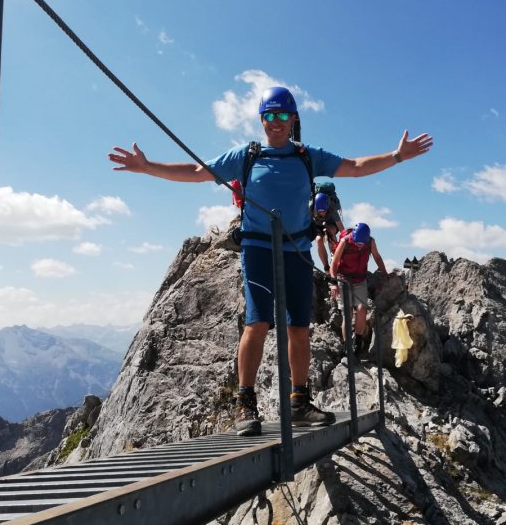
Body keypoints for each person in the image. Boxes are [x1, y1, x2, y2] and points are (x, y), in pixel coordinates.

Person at [109, 86, 433, 436]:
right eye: (269, 115)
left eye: (282, 115)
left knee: (299, 328)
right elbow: (197, 171)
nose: (276, 122)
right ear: (261, 119)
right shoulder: (246, 156)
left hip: (296, 250)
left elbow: (354, 167)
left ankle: (299, 402)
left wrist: (397, 156)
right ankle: (246, 404)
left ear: (293, 119)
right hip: (259, 249)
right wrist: (147, 167)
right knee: (258, 323)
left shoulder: (308, 156)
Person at [329, 222, 387, 353]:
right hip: (344, 279)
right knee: (348, 313)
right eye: (357, 243)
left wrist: (385, 274)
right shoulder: (344, 242)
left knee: (362, 309)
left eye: (362, 243)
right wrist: (333, 283)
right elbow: (334, 263)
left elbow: (377, 257)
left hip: (360, 279)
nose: (360, 245)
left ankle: (358, 340)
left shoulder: (370, 242)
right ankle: (346, 345)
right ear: (353, 237)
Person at [313, 192, 345, 273]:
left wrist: (346, 241)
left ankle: (334, 259)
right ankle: (326, 267)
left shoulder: (332, 207)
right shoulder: (311, 208)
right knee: (318, 240)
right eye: (320, 211)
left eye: (324, 211)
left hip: (331, 224)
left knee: (331, 232)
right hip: (318, 226)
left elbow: (341, 227)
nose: (322, 213)